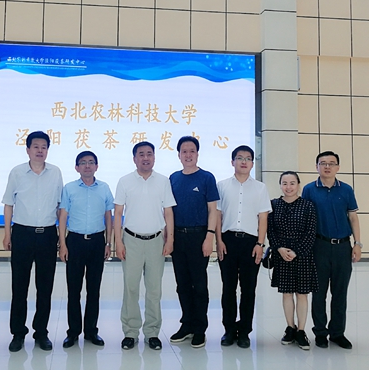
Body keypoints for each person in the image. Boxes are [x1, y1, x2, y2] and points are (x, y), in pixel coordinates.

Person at [2, 131, 63, 352]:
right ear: (27, 149)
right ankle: (18, 333)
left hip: (47, 234)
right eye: (36, 146)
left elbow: (60, 207)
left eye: (44, 147)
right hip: (22, 233)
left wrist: (61, 237)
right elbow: (8, 204)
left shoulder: (55, 173)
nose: (40, 150)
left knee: (45, 287)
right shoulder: (17, 172)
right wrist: (7, 234)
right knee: (19, 286)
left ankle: (41, 333)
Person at [113, 141, 176, 351]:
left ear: (154, 157)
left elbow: (168, 212)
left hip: (156, 241)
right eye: (141, 154)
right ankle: (130, 332)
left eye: (149, 154)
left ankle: (152, 332)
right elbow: (118, 213)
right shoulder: (125, 181)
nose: (146, 158)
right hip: (131, 240)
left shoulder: (163, 181)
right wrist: (118, 242)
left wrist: (170, 239)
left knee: (154, 290)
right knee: (131, 288)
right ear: (135, 158)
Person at [302, 151, 362, 350]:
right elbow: (305, 219)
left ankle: (337, 333)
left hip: (343, 247)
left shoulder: (346, 189)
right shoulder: (309, 190)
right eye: (323, 163)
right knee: (319, 293)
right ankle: (320, 333)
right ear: (316, 167)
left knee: (340, 293)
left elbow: (353, 217)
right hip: (319, 246)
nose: (327, 167)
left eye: (331, 163)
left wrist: (357, 244)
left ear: (338, 167)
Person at [216, 145, 271, 349]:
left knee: (249, 289)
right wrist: (219, 241)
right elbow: (218, 216)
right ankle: (229, 330)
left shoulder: (260, 188)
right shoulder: (222, 186)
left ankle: (245, 331)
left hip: (251, 243)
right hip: (227, 241)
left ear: (252, 163)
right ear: (232, 162)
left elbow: (263, 218)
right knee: (228, 288)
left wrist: (260, 244)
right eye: (239, 158)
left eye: (248, 158)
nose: (244, 161)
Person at [58, 151, 114, 348]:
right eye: (83, 163)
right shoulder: (69, 188)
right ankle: (73, 332)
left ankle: (91, 331)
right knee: (74, 290)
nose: (87, 166)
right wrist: (63, 244)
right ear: (77, 168)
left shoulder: (104, 188)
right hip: (74, 241)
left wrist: (108, 243)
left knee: (94, 289)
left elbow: (108, 217)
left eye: (91, 162)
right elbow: (63, 217)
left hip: (97, 242)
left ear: (97, 166)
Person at [168, 136, 219, 348]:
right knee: (182, 284)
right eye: (184, 151)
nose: (188, 155)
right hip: (178, 237)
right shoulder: (173, 178)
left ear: (197, 154)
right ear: (179, 155)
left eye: (192, 151)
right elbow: (168, 211)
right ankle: (186, 324)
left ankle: (200, 328)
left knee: (199, 284)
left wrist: (209, 237)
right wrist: (169, 237)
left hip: (199, 236)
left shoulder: (207, 178)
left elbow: (213, 210)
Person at [267, 171, 318, 350]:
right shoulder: (273, 205)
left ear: (298, 185)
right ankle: (290, 327)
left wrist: (296, 251)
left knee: (302, 294)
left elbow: (311, 232)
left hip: (302, 255)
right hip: (282, 255)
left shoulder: (308, 206)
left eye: (292, 183)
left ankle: (301, 330)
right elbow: (270, 231)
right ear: (280, 185)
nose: (288, 187)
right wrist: (279, 248)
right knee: (287, 293)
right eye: (285, 183)